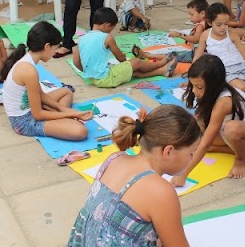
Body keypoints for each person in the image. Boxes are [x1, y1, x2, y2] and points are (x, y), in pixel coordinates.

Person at [68, 105, 200, 247]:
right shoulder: (161, 192)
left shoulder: (114, 158)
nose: (192, 159)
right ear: (168, 151)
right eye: (191, 153)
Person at [171, 54, 245, 185]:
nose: (194, 91)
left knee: (228, 130)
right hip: (227, 130)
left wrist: (183, 174)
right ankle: (244, 151)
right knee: (198, 138)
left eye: (199, 87)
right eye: (192, 85)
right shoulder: (210, 91)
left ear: (213, 85)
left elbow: (205, 144)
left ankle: (241, 159)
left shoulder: (224, 102)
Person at [0, 21, 91, 140]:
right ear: (47, 46)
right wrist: (72, 113)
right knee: (80, 131)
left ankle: (59, 116)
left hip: (32, 108)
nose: (54, 52)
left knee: (66, 92)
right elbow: (37, 114)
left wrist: (62, 109)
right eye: (55, 48)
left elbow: (40, 94)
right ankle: (60, 118)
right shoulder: (29, 71)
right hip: (23, 121)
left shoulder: (27, 60)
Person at [72, 7, 178, 88]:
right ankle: (161, 63)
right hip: (106, 78)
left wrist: (90, 72)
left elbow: (76, 62)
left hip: (93, 79)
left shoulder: (82, 39)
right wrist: (125, 59)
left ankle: (163, 71)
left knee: (132, 71)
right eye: (112, 28)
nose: (111, 31)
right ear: (107, 25)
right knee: (136, 62)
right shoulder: (107, 38)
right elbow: (120, 58)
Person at [193, 3, 245, 93]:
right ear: (209, 22)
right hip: (224, 70)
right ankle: (230, 82)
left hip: (241, 66)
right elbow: (198, 56)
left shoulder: (232, 34)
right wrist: (192, 74)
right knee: (242, 88)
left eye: (226, 24)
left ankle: (243, 82)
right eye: (219, 24)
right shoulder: (205, 35)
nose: (223, 27)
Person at [134, 0, 208, 64]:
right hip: (201, 52)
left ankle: (147, 55)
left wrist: (180, 35)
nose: (190, 17)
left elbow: (195, 39)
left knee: (173, 56)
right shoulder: (206, 23)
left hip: (198, 54)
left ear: (202, 13)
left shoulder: (200, 26)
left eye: (192, 15)